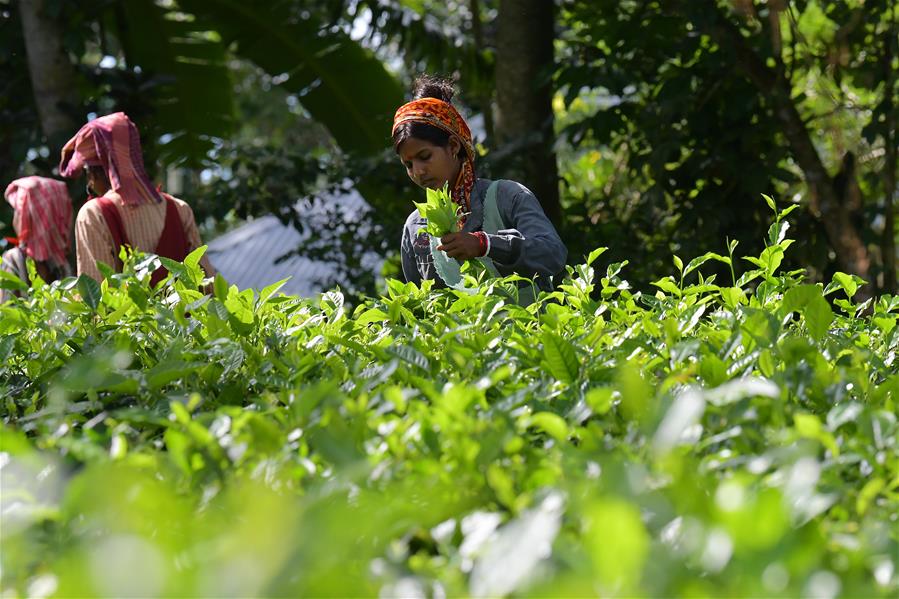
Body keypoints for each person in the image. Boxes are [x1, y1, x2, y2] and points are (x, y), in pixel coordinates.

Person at [392, 75, 566, 301]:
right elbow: (421, 306)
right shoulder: (416, 226)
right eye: (408, 164)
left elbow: (552, 254)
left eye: (425, 157)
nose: (418, 171)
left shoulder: (507, 197)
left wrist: (485, 244)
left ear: (453, 146)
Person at [58, 112, 214, 285]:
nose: (91, 186)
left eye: (88, 175)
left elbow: (96, 297)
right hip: (184, 312)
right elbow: (207, 283)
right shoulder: (179, 208)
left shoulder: (93, 214)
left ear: (94, 173)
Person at [1, 176, 74, 302]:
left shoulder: (14, 260)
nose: (15, 219)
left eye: (18, 212)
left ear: (30, 218)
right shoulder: (62, 264)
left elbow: (6, 313)